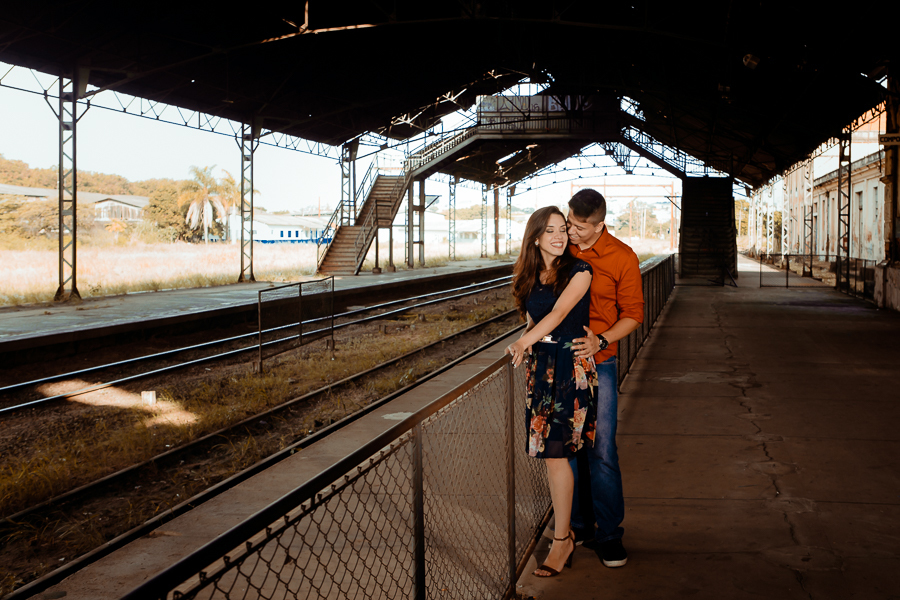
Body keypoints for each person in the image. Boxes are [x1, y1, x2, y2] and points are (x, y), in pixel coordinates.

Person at [506, 206, 598, 578]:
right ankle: (566, 534)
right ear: (535, 238)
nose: (560, 236)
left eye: (563, 229)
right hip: (542, 371)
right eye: (551, 231)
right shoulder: (529, 276)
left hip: (569, 371)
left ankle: (562, 540)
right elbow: (534, 318)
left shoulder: (580, 271)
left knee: (558, 455)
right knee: (550, 456)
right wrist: (525, 340)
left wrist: (523, 342)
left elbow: (558, 314)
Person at [567, 188, 644, 568]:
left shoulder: (622, 257)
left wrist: (601, 339)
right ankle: (577, 526)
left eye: (580, 227)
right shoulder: (560, 248)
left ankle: (610, 535)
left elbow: (633, 314)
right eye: (570, 222)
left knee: (601, 450)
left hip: (601, 364)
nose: (572, 231)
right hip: (561, 364)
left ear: (600, 225)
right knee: (567, 449)